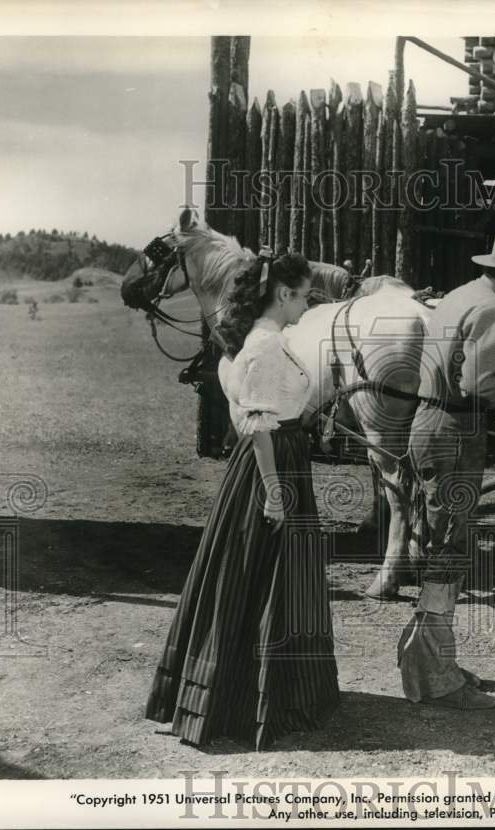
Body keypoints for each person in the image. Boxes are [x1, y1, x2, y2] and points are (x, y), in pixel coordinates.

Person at [145, 250, 339, 750]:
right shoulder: (265, 347)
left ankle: (269, 690)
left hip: (283, 457)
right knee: (258, 577)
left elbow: (252, 400)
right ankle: (244, 699)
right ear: (282, 294)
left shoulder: (264, 343)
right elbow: (255, 425)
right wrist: (275, 491)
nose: (306, 306)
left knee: (267, 577)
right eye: (302, 297)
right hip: (271, 469)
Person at [397, 232, 495, 710]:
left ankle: (429, 663)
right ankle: (435, 679)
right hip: (454, 429)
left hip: (431, 423)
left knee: (440, 542)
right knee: (447, 548)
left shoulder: (464, 293)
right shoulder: (491, 309)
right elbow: (478, 385)